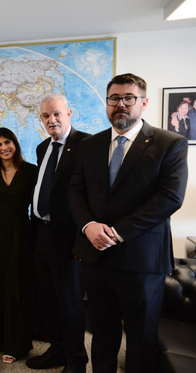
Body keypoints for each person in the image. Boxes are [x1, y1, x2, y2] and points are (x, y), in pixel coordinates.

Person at [68, 73, 188, 373]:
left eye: (128, 98)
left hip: (142, 261)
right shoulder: (90, 145)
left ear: (143, 103)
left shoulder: (169, 143)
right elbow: (75, 190)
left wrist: (117, 233)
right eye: (114, 99)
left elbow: (170, 198)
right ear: (106, 104)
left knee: (140, 341)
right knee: (101, 337)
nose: (120, 105)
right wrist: (88, 226)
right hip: (96, 258)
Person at [27, 94, 90, 373]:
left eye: (56, 114)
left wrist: (81, 240)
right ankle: (57, 351)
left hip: (69, 239)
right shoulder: (43, 148)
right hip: (42, 234)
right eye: (45, 116)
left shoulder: (86, 145)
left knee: (70, 302)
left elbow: (91, 196)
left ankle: (76, 361)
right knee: (48, 300)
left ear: (69, 112)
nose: (51, 120)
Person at [0, 127, 36, 363]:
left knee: (18, 289)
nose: (4, 148)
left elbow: (39, 207)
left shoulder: (30, 171)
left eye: (7, 142)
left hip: (22, 235)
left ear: (15, 143)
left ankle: (17, 344)